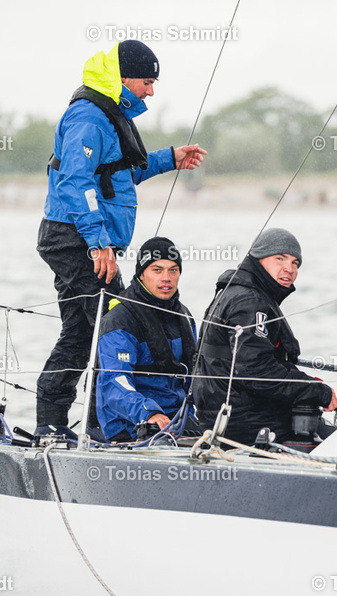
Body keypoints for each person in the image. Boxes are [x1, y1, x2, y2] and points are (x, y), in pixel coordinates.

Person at [35, 40, 206, 436]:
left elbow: (121, 175)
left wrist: (170, 158)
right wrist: (98, 243)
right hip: (75, 239)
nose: (151, 91)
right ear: (125, 78)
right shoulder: (89, 117)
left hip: (84, 238)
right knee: (117, 321)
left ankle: (52, 424)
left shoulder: (112, 113)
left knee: (81, 332)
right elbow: (74, 182)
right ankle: (103, 428)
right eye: (148, 82)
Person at [192, 229, 337, 445]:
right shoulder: (250, 301)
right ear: (258, 258)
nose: (289, 268)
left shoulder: (240, 292)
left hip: (231, 413)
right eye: (280, 258)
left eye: (295, 263)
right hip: (243, 422)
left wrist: (307, 383)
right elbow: (255, 370)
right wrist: (316, 391)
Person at [93, 237, 197, 442]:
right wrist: (149, 413)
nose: (166, 278)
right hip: (129, 423)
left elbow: (195, 376)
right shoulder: (119, 320)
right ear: (141, 274)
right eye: (157, 270)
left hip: (176, 417)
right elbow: (114, 382)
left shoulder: (184, 316)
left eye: (173, 270)